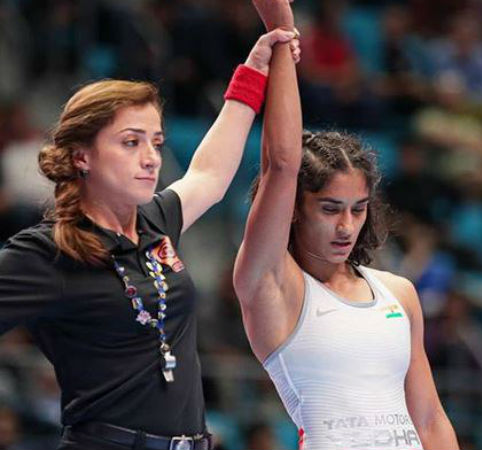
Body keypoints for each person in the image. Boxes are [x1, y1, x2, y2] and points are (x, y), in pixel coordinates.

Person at [0, 8, 300, 449]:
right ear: (82, 156)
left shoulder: (155, 223)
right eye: (131, 142)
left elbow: (210, 174)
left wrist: (253, 71)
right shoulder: (45, 253)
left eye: (156, 142)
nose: (151, 158)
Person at [233, 3, 459, 450]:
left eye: (358, 209)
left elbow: (430, 419)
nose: (347, 226)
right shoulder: (273, 286)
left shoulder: (399, 293)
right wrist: (282, 32)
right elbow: (281, 164)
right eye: (330, 209)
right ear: (294, 208)